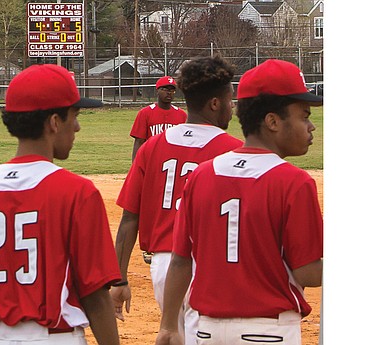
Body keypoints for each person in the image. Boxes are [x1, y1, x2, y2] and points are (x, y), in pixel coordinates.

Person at [0, 64, 122, 345]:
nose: (78, 126)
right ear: (54, 122)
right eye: (75, 116)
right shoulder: (77, 192)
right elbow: (96, 296)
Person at [155, 59, 324, 345]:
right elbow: (307, 272)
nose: (311, 127)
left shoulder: (202, 174)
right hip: (268, 331)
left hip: (206, 329)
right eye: (304, 116)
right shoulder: (294, 182)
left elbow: (181, 259)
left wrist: (169, 324)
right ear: (272, 121)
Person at [111, 56, 243, 345]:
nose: (232, 108)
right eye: (230, 100)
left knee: (177, 335)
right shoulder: (232, 151)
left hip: (162, 268)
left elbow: (129, 218)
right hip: (209, 265)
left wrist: (119, 278)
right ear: (215, 104)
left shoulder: (153, 147)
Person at [129, 75, 187, 160]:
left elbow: (186, 143)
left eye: (172, 90)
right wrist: (135, 166)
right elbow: (139, 142)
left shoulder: (181, 115)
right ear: (157, 91)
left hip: (173, 161)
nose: (169, 92)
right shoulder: (145, 113)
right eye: (165, 89)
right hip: (151, 160)